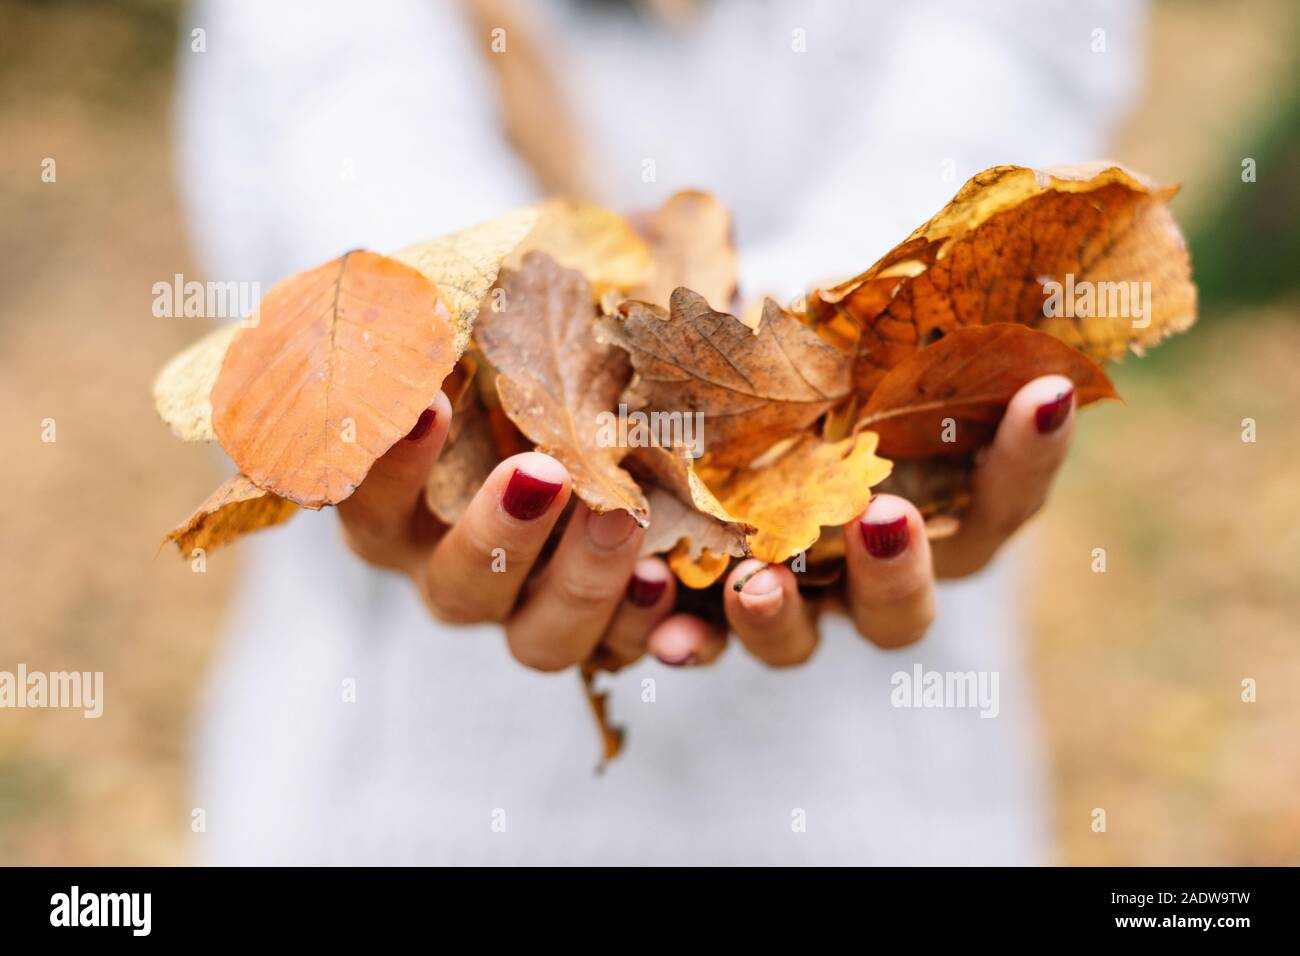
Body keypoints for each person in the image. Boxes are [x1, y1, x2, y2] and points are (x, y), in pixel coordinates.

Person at [179, 0, 1144, 864]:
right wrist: (497, 381)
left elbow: (980, 138)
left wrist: (743, 374)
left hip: (882, 799)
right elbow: (352, 164)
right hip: (382, 799)